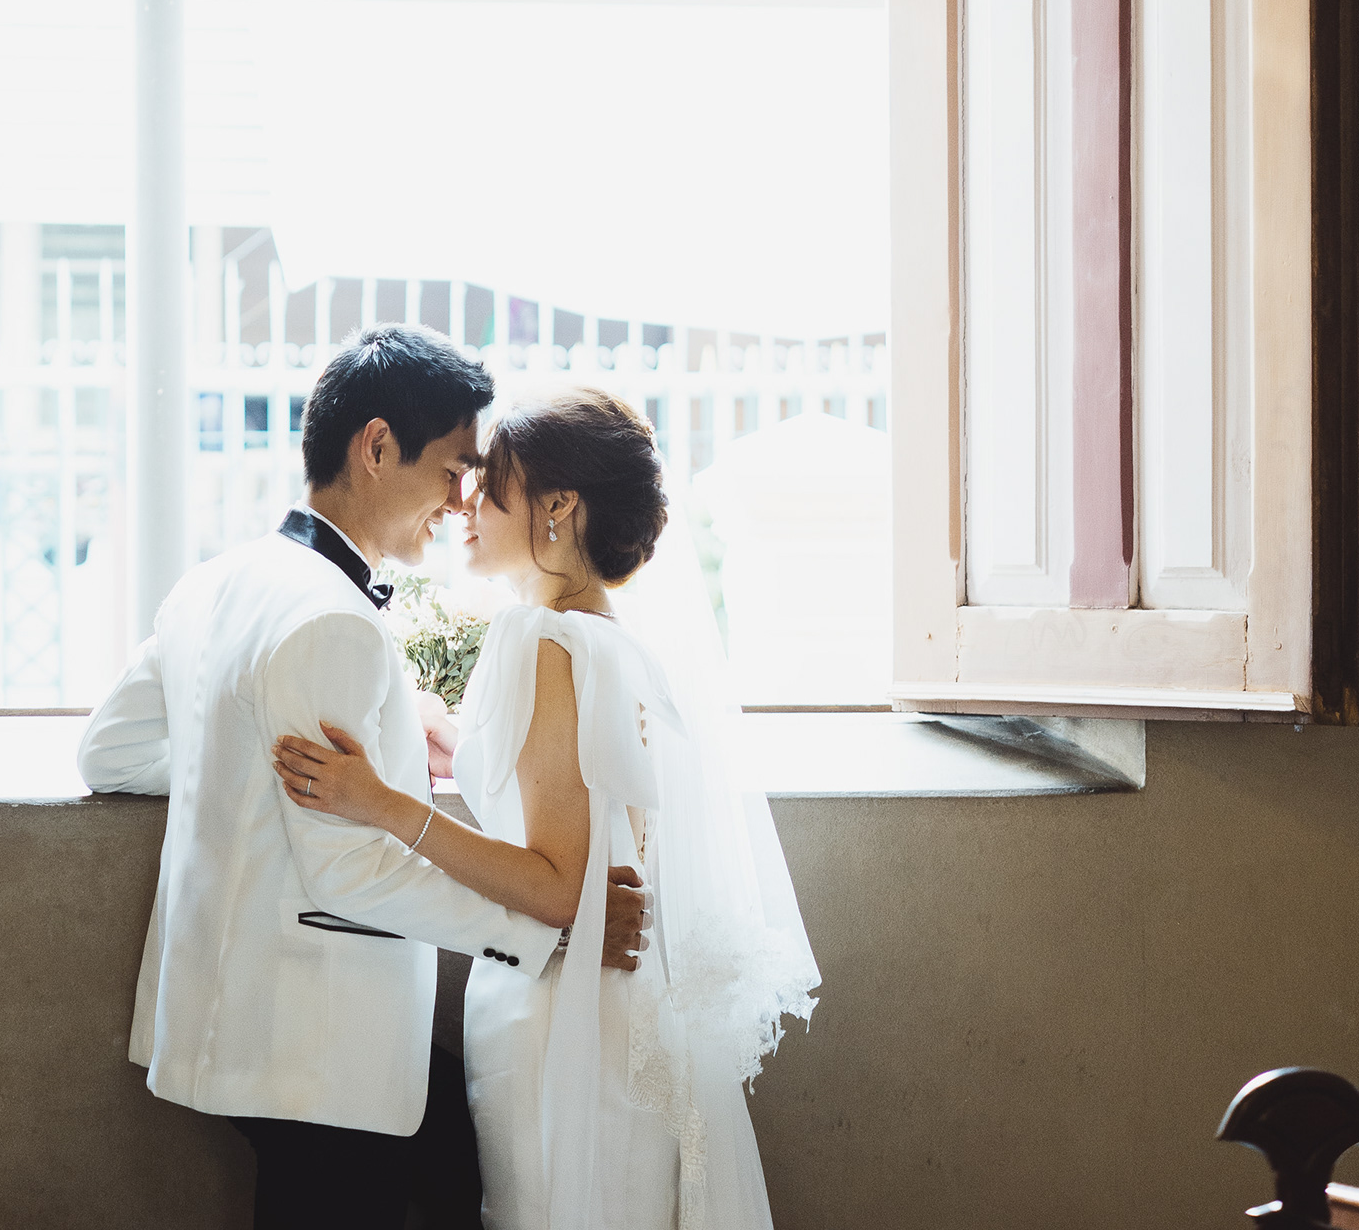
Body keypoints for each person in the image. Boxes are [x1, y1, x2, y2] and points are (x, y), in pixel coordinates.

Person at [79, 333, 652, 1230]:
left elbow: (108, 753)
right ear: (377, 447)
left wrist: (254, 768)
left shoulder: (214, 582)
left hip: (219, 1014)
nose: (463, 500)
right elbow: (347, 870)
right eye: (455, 469)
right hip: (314, 1036)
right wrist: (549, 937)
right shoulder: (332, 621)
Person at [274, 386, 818, 1230]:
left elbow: (562, 886)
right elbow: (569, 796)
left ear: (559, 506)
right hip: (619, 1009)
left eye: (491, 489)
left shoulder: (538, 641)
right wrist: (455, 741)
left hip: (563, 1017)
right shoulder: (610, 636)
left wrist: (381, 804)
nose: (464, 505)